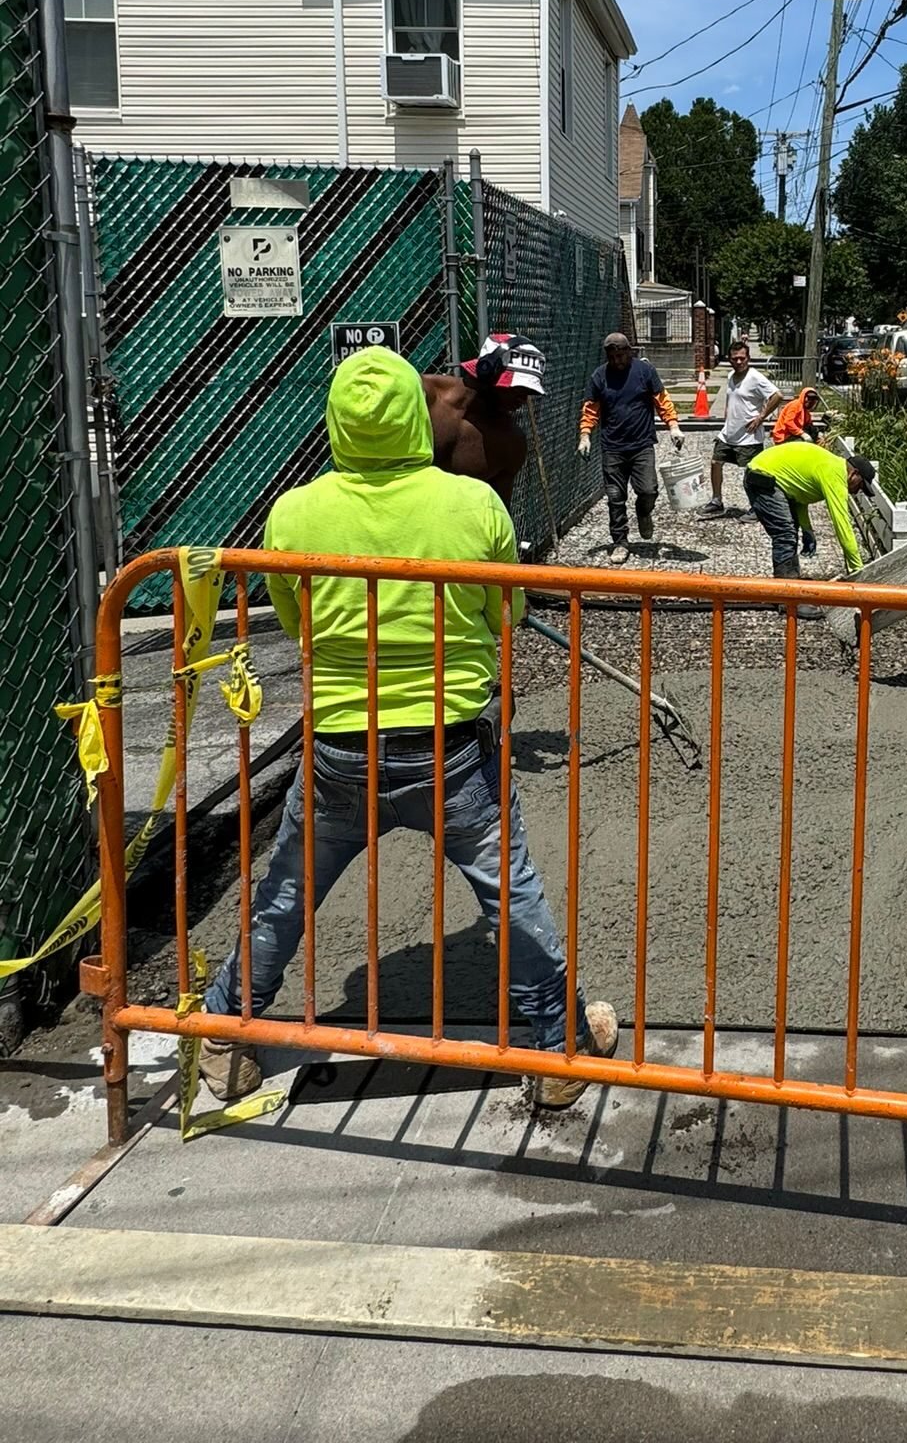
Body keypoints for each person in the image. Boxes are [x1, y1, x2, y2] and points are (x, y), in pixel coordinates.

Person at [199, 348, 615, 1111]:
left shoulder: (293, 514)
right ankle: (554, 1052)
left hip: (337, 754)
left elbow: (295, 622)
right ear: (417, 416)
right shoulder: (474, 508)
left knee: (286, 895)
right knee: (509, 892)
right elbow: (508, 614)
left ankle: (225, 1040)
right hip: (450, 749)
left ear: (335, 420)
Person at [577, 332, 683, 565]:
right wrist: (585, 435)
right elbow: (591, 409)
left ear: (629, 352)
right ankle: (620, 541)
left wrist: (673, 426)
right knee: (615, 497)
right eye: (612, 356)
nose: (617, 360)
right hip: (613, 447)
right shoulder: (599, 376)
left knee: (648, 490)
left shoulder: (645, 372)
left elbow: (661, 400)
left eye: (621, 355)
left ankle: (644, 512)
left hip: (642, 444)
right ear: (607, 355)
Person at [423, 332, 545, 510]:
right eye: (516, 388)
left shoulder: (510, 442)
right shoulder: (424, 396)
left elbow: (497, 515)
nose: (522, 399)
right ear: (486, 370)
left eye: (528, 392)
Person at [743, 441, 874, 581]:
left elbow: (798, 497)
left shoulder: (832, 465)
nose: (857, 491)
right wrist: (858, 570)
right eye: (860, 485)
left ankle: (790, 585)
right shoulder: (834, 475)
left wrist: (807, 529)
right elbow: (843, 526)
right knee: (785, 534)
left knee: (789, 531)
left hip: (765, 474)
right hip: (763, 477)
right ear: (854, 473)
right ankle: (786, 595)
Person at [703, 339, 782, 516]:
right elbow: (731, 400)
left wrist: (761, 417)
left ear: (748, 358)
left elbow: (777, 396)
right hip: (729, 434)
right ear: (730, 359)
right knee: (716, 462)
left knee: (752, 473)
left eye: (742, 358)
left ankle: (758, 507)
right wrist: (726, 423)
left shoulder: (755, 377)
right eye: (735, 358)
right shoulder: (731, 376)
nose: (739, 362)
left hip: (749, 436)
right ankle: (717, 500)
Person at [770, 387, 827, 557]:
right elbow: (788, 423)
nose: (810, 403)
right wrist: (802, 434)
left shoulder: (805, 412)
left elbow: (810, 425)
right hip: (783, 438)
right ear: (804, 398)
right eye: (808, 400)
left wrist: (818, 438)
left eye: (813, 401)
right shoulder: (795, 406)